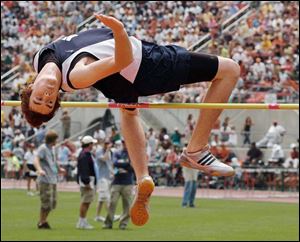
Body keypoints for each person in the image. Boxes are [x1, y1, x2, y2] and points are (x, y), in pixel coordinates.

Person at [20, 14, 240, 226]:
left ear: (30, 88)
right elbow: (122, 60)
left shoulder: (40, 57)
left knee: (129, 111)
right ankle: (196, 150)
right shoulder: (76, 76)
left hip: (122, 71)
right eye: (49, 103)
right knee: (229, 70)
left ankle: (143, 177)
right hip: (145, 65)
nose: (47, 96)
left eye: (40, 98)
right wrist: (119, 30)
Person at [34, 130, 65, 229]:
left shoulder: (52, 148)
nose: (57, 140)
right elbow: (36, 160)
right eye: (56, 138)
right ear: (53, 140)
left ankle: (42, 221)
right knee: (46, 202)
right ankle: (42, 221)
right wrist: (39, 169)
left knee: (53, 203)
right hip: (45, 179)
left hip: (53, 179)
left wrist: (59, 168)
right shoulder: (43, 148)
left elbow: (53, 160)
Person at [103, 139, 135, 230]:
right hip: (117, 182)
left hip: (128, 182)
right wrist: (127, 165)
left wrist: (123, 165)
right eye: (124, 143)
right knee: (112, 203)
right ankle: (108, 223)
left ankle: (123, 224)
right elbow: (115, 163)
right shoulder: (117, 153)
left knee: (127, 205)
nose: (125, 144)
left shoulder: (132, 153)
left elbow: (132, 167)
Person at [76, 135, 98, 230]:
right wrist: (87, 182)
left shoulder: (85, 154)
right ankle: (82, 221)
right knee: (85, 202)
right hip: (87, 181)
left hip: (88, 180)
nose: (93, 145)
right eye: (92, 143)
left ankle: (82, 221)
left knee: (86, 202)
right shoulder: (85, 155)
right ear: (89, 144)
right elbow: (84, 170)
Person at [94, 141, 114, 222]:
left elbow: (110, 163)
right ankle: (111, 216)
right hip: (102, 177)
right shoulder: (99, 152)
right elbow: (104, 159)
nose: (107, 145)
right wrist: (108, 150)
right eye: (106, 144)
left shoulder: (109, 152)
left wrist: (113, 172)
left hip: (108, 176)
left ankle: (97, 216)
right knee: (107, 197)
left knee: (101, 199)